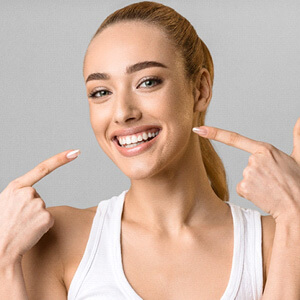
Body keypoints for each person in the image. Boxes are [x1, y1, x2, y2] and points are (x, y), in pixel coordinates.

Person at [1, 1, 300, 299]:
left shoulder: (275, 239)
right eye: (101, 92)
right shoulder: (57, 240)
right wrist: (3, 261)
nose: (122, 113)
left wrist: (295, 215)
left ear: (200, 90)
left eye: (147, 82)